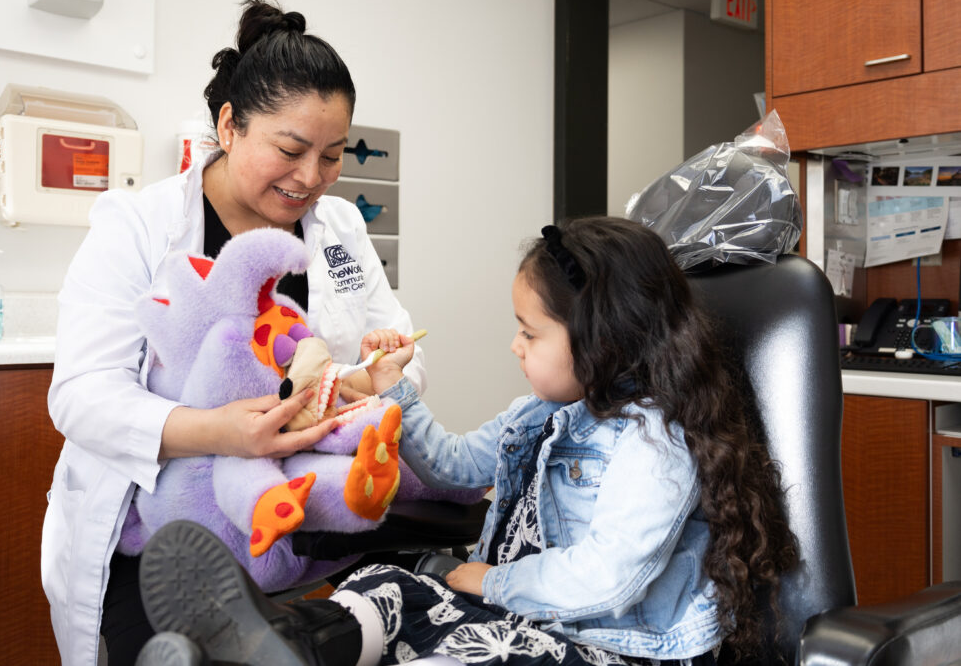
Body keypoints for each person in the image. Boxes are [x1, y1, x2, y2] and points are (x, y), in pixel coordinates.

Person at [136, 216, 799, 666]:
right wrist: (392, 388)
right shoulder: (541, 411)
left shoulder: (653, 443)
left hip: (617, 646)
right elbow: (454, 468)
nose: (514, 345)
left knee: (466, 651)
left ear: (605, 336)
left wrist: (496, 579)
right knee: (388, 583)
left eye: (529, 332)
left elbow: (607, 577)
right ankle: (288, 640)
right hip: (531, 612)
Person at [41, 0, 426, 666]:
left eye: (333, 154)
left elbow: (399, 352)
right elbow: (81, 394)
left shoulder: (339, 227)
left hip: (300, 524)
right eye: (291, 148)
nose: (312, 177)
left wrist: (374, 374)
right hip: (162, 537)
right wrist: (223, 432)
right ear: (228, 126)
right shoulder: (139, 226)